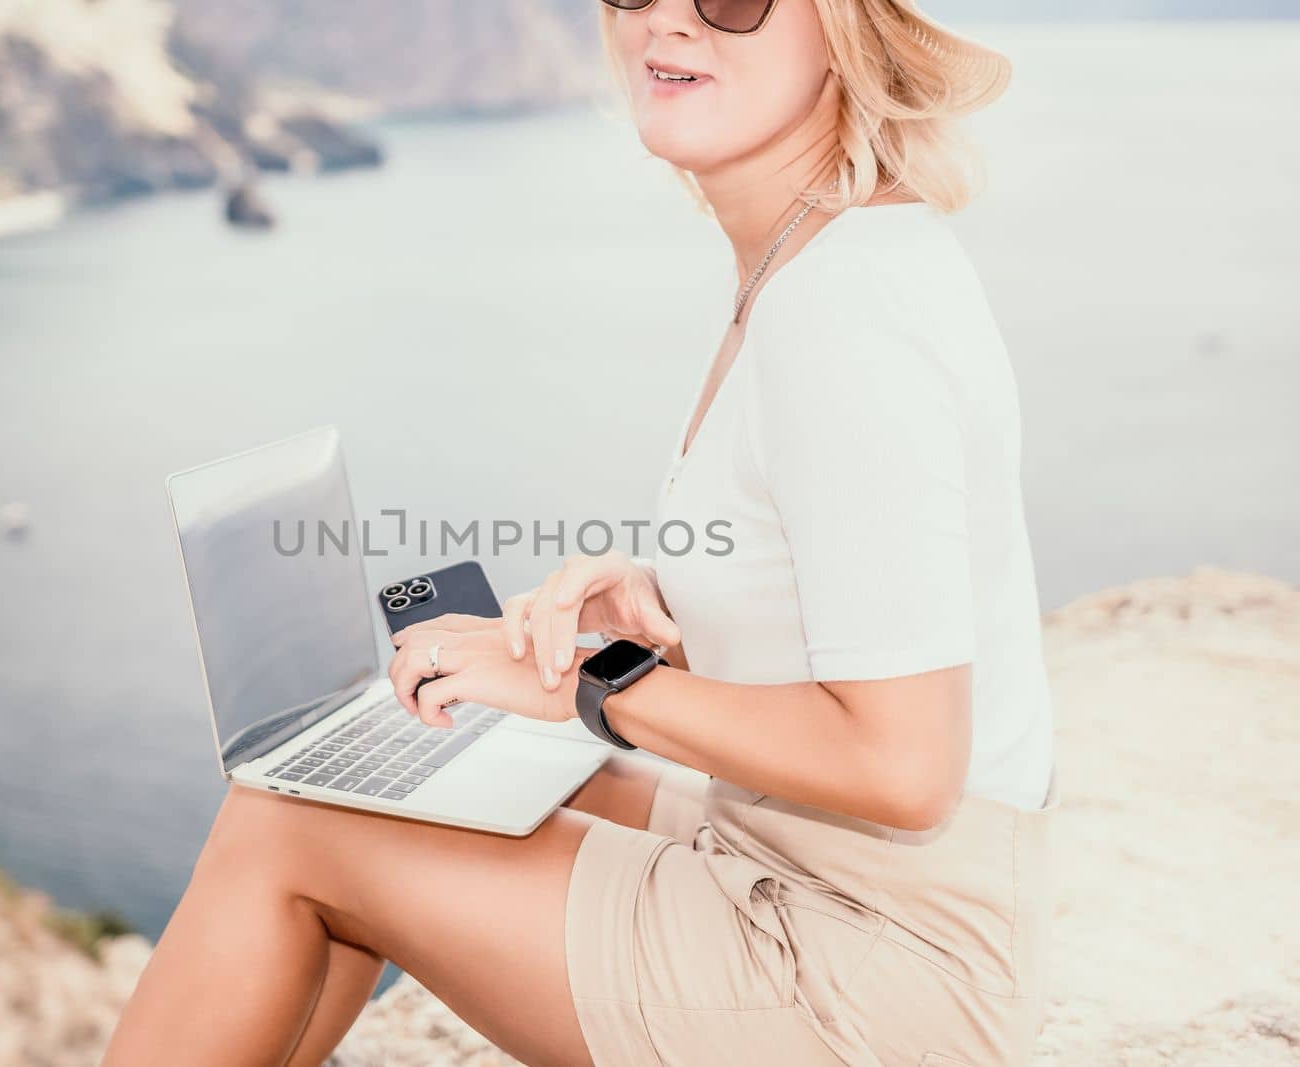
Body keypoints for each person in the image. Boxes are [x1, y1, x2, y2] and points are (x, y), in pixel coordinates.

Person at [101, 0, 1058, 1063]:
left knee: (287, 824)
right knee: (401, 772)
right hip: (822, 874)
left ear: (845, 27)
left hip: (872, 971)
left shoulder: (844, 311)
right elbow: (864, 607)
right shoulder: (818, 259)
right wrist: (670, 617)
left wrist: (589, 683)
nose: (670, 26)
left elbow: (906, 768)